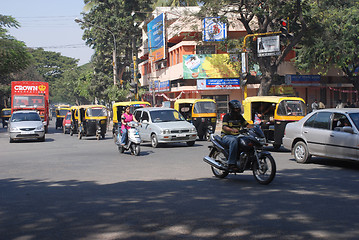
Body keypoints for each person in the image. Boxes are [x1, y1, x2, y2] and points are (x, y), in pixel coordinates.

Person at [221, 100, 252, 171]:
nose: (237, 110)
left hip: (238, 135)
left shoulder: (240, 117)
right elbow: (224, 127)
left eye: (238, 108)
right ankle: (231, 163)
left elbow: (247, 125)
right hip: (226, 136)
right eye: (235, 109)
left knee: (248, 140)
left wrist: (255, 127)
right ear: (232, 109)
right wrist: (232, 130)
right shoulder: (227, 116)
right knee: (234, 141)